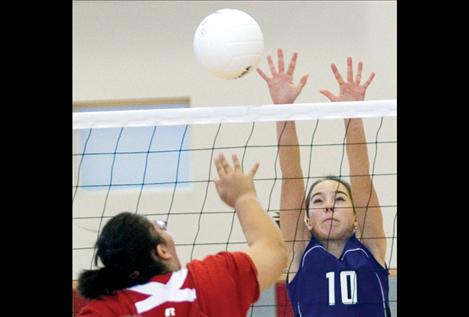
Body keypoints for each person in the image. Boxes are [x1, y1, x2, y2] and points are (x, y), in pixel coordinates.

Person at [257, 49, 391, 316]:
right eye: (318, 200)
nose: (329, 206)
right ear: (306, 220)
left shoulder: (370, 247)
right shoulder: (299, 254)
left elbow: (361, 176)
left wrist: (352, 114)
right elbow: (291, 175)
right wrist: (283, 110)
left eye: (339, 199)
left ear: (356, 216)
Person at [77, 153, 287, 316]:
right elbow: (274, 251)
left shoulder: (105, 311)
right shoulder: (208, 281)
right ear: (162, 250)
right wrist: (244, 197)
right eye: (160, 227)